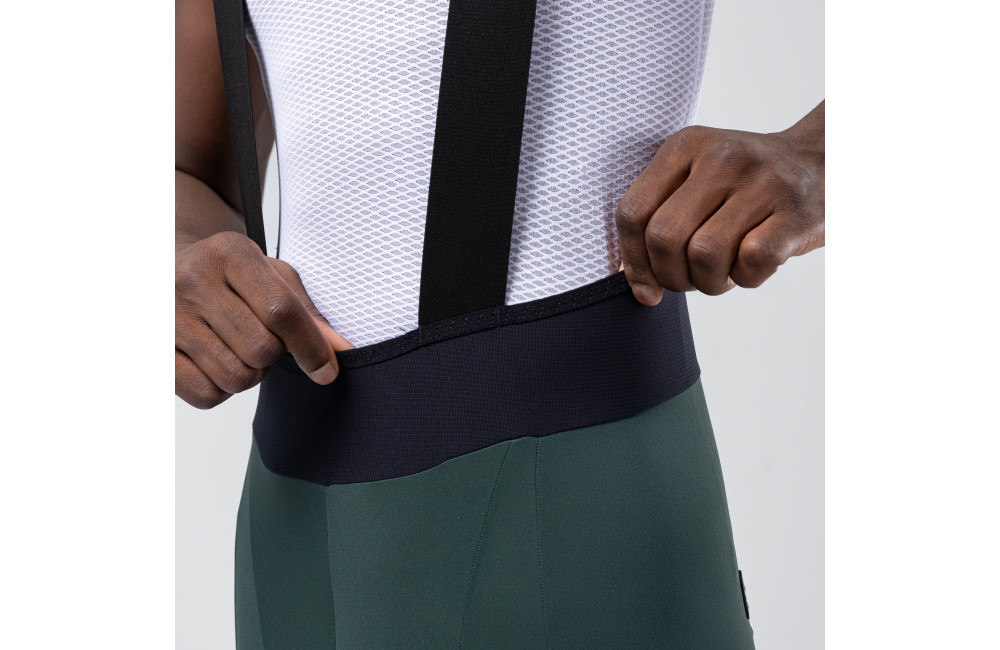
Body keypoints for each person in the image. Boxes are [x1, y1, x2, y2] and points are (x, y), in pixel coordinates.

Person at [176, 0, 824, 646]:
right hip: (286, 503)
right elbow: (188, 165)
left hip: (566, 461)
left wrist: (815, 159)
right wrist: (179, 257)